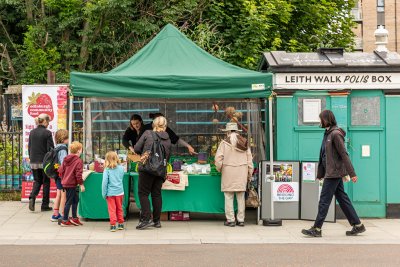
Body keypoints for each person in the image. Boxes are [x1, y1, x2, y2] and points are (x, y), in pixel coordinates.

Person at [302, 110, 366, 237]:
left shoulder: (335, 134)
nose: (319, 121)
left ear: (326, 119)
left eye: (321, 119)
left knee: (324, 201)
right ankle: (358, 225)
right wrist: (320, 173)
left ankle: (317, 228)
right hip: (331, 172)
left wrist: (352, 173)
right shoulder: (327, 134)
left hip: (334, 173)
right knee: (342, 198)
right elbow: (324, 155)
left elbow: (344, 154)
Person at [134, 116, 171, 230]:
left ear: (154, 124)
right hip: (160, 170)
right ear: (165, 125)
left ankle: (146, 219)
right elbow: (167, 156)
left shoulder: (147, 133)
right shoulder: (168, 139)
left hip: (147, 168)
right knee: (156, 194)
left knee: (143, 193)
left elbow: (136, 148)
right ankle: (157, 221)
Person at [215, 122, 254, 227]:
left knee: (228, 196)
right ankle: (241, 220)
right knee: (241, 197)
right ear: (237, 131)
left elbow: (218, 160)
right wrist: (249, 174)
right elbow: (250, 161)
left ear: (227, 131)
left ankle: (231, 220)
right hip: (242, 172)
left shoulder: (224, 143)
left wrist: (220, 169)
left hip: (228, 172)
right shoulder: (244, 143)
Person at [28, 114, 54, 212]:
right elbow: (50, 149)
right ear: (45, 122)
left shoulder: (32, 132)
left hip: (33, 161)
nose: (48, 124)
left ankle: (32, 197)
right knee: (46, 182)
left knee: (37, 181)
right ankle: (45, 205)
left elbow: (29, 147)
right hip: (44, 162)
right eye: (48, 122)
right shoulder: (47, 133)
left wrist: (31, 159)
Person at [58, 141, 85, 227]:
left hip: (66, 183)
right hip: (71, 184)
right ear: (78, 151)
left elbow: (61, 171)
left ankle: (74, 218)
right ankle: (65, 220)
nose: (81, 151)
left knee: (75, 199)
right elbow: (78, 174)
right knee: (69, 201)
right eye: (81, 150)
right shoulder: (78, 161)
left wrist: (63, 180)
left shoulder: (66, 159)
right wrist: (81, 184)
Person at [102, 151, 125, 232]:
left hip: (110, 193)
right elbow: (121, 179)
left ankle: (113, 225)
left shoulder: (107, 170)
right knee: (119, 208)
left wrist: (104, 194)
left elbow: (105, 183)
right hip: (120, 192)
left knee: (112, 209)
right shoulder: (122, 168)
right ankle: (121, 224)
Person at [51, 129, 69, 222]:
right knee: (64, 195)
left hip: (57, 174)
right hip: (62, 175)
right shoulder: (63, 149)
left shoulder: (56, 147)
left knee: (58, 194)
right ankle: (62, 214)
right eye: (67, 137)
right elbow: (63, 163)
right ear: (63, 139)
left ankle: (55, 214)